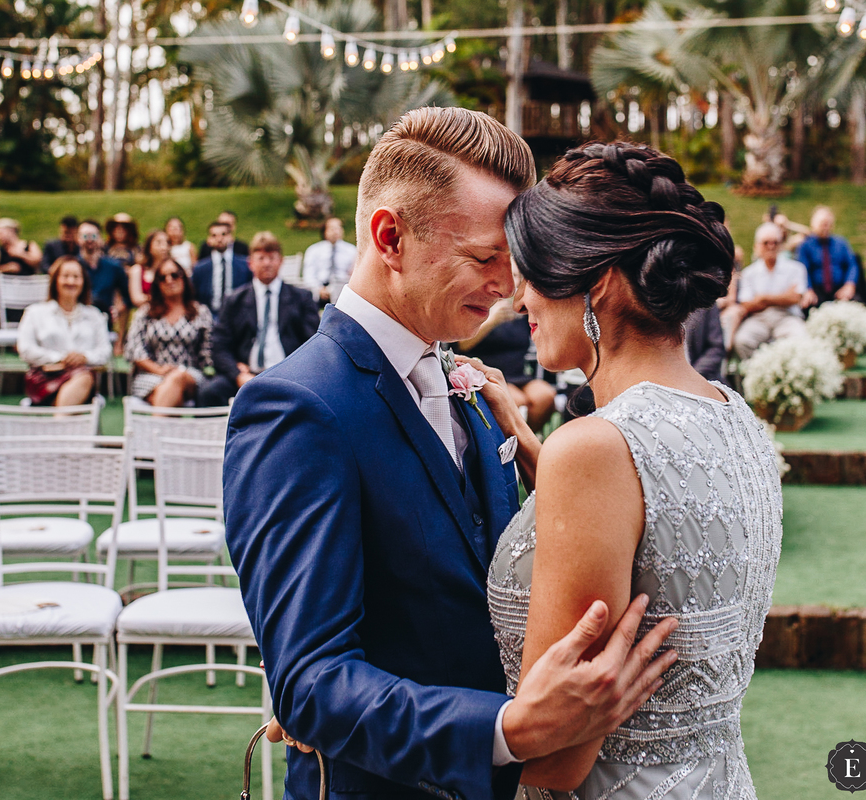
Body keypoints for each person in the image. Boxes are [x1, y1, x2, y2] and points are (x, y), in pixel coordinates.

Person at [225, 109, 678, 800]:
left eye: (517, 260)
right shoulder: (296, 409)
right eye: (484, 258)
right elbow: (310, 682)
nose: (512, 287)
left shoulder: (469, 386)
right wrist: (511, 729)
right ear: (390, 236)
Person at [477, 140, 780, 798]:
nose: (520, 298)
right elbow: (646, 524)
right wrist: (527, 436)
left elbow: (556, 762)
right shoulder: (738, 420)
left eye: (535, 273)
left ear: (600, 282)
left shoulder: (593, 449)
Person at [199, 231, 319, 407]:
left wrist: (293, 372)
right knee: (209, 391)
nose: (267, 263)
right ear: (250, 263)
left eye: (272, 258)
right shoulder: (234, 300)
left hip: (289, 374)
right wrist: (237, 373)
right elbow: (219, 345)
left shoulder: (301, 298)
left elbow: (313, 343)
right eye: (261, 258)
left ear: (281, 261)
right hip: (247, 374)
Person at [17, 256, 112, 406]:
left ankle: (59, 423)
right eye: (66, 276)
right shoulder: (35, 313)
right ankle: (62, 422)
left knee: (84, 378)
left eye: (76, 277)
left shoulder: (94, 315)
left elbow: (105, 351)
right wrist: (61, 358)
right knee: (81, 381)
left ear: (83, 282)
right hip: (46, 381)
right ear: (55, 280)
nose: (71, 281)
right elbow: (25, 349)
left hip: (83, 382)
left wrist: (84, 357)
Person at [457, 292, 556, 433]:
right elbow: (462, 345)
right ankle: (513, 443)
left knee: (544, 396)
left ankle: (526, 440)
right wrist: (492, 321)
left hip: (518, 373)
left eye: (516, 276)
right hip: (487, 373)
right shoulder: (479, 307)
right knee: (518, 401)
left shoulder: (522, 312)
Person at [125, 258, 214, 407]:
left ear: (183, 278)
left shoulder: (200, 312)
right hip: (150, 375)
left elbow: (208, 351)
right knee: (169, 391)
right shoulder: (145, 313)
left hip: (189, 374)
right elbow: (134, 349)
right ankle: (166, 426)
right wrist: (158, 370)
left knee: (176, 378)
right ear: (157, 284)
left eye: (174, 275)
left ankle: (157, 427)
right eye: (162, 277)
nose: (169, 280)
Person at [733, 222, 809, 360]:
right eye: (766, 243)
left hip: (787, 317)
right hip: (759, 319)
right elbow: (746, 305)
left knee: (800, 338)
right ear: (757, 246)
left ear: (781, 245)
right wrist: (783, 297)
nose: (771, 246)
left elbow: (795, 298)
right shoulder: (749, 273)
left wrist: (762, 299)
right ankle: (758, 373)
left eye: (775, 242)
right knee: (742, 341)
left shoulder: (796, 269)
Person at [796, 206, 861, 307]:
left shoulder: (841, 243)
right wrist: (808, 289)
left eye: (828, 224)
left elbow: (852, 265)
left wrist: (849, 285)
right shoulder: (805, 246)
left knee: (856, 305)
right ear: (813, 225)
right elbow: (802, 270)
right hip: (816, 290)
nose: (825, 227)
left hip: (839, 288)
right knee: (808, 305)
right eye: (822, 224)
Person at [191, 220, 252, 316]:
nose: (219, 239)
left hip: (238, 315)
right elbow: (194, 296)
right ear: (209, 240)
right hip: (209, 315)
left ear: (231, 237)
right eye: (214, 235)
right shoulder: (200, 268)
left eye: (223, 234)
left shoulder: (245, 265)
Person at [77, 219, 129, 318]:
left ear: (100, 238)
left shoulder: (114, 267)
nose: (89, 240)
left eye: (93, 236)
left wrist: (117, 309)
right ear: (78, 239)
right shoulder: (72, 266)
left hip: (105, 319)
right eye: (85, 236)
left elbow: (126, 297)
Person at [302, 216, 358, 303]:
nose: (336, 231)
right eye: (332, 228)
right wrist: (318, 289)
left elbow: (354, 275)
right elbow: (309, 275)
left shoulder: (351, 250)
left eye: (339, 227)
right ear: (324, 231)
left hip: (342, 289)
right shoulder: (314, 250)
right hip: (319, 289)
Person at [684, 305, 726, 384]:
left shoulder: (705, 303)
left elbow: (716, 348)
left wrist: (693, 376)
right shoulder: (657, 304)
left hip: (704, 378)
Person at [127, 229, 170, 307]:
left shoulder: (172, 272)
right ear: (149, 247)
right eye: (159, 243)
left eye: (167, 243)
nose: (164, 247)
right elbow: (136, 299)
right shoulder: (137, 270)